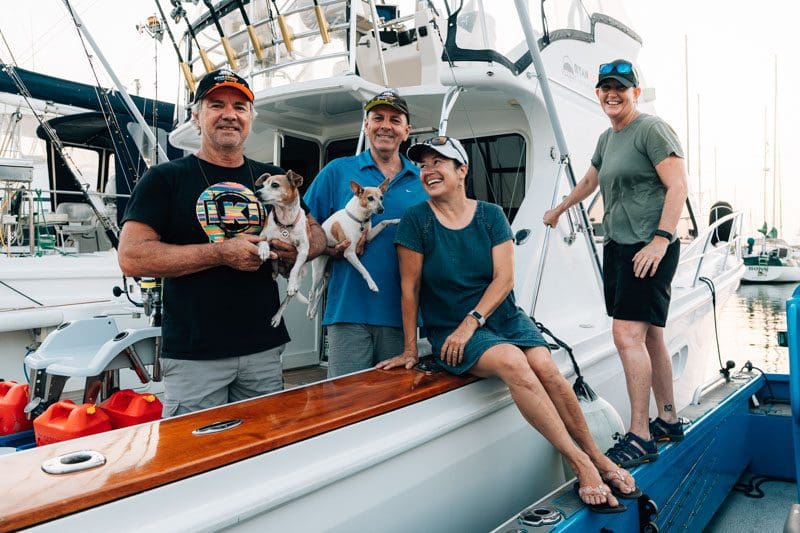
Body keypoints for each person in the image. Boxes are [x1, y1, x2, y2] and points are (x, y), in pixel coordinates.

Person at [378, 136, 637, 512]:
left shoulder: (490, 214)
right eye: (423, 165)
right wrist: (409, 349)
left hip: (501, 317)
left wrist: (474, 320)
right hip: (451, 328)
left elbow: (504, 280)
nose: (429, 171)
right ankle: (580, 463)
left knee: (547, 365)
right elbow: (409, 289)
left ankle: (597, 455)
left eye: (439, 162)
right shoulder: (417, 220)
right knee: (515, 362)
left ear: (461, 169)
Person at [118, 68, 326, 416]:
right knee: (197, 461)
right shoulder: (164, 179)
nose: (230, 114)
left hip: (263, 349)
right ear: (197, 116)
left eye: (240, 107)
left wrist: (300, 248)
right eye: (217, 105)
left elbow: (315, 232)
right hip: (195, 357)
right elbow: (132, 257)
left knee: (264, 451)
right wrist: (219, 253)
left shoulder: (271, 177)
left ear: (250, 119)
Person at [543, 59, 689, 467]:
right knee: (650, 336)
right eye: (605, 87)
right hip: (620, 247)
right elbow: (592, 180)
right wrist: (561, 208)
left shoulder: (651, 129)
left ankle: (640, 434)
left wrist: (661, 240)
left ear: (635, 92)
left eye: (620, 88)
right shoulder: (609, 138)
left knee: (626, 335)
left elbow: (677, 185)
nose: (612, 94)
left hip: (649, 247)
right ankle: (668, 419)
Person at [303, 90, 427, 378]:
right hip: (348, 311)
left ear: (406, 131)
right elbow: (306, 225)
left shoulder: (421, 181)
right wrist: (329, 248)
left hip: (402, 317)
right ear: (366, 126)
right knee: (345, 407)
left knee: (396, 407)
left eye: (395, 120)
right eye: (377, 118)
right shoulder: (337, 171)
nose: (386, 125)